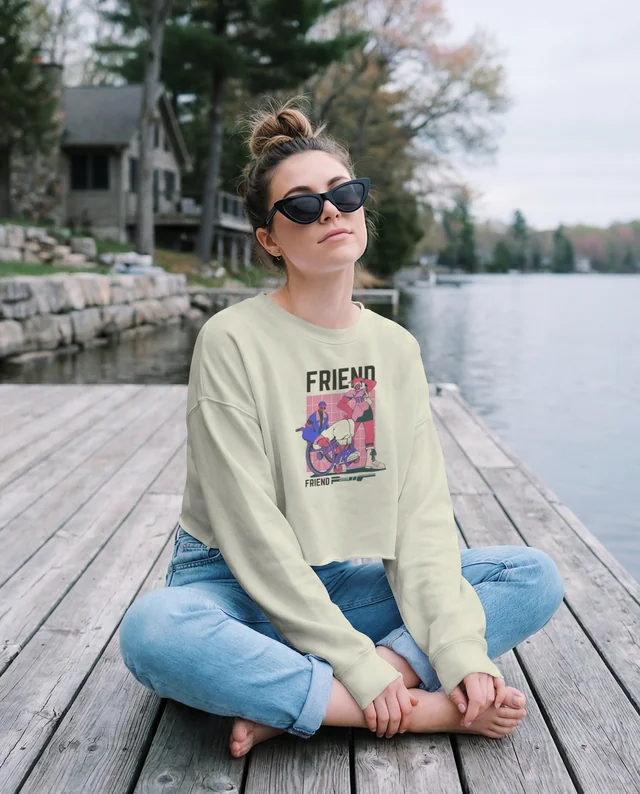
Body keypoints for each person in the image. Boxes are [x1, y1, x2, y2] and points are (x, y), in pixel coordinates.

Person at [118, 96, 564, 759]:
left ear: (360, 208)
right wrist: (355, 660)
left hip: (329, 585)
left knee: (531, 576)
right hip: (229, 587)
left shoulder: (395, 349)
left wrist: (463, 654)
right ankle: (405, 709)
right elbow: (250, 528)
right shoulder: (231, 340)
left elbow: (420, 526)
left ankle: (307, 700)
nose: (328, 210)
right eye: (300, 204)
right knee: (153, 630)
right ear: (269, 238)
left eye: (343, 193)